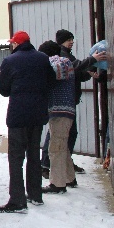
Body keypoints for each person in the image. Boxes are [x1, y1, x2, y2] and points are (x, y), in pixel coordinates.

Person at [0, 31, 55, 213]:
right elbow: (51, 82)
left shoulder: (10, 61)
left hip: (18, 116)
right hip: (37, 115)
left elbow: (3, 88)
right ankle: (35, 195)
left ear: (16, 44)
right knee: (34, 155)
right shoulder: (43, 59)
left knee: (15, 157)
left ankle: (17, 201)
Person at [41, 29, 106, 179]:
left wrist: (89, 70)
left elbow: (76, 71)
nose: (71, 42)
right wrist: (93, 60)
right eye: (68, 39)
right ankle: (49, 166)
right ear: (60, 42)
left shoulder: (64, 57)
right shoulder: (62, 57)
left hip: (63, 106)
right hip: (62, 107)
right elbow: (74, 67)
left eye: (72, 39)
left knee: (62, 137)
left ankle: (61, 169)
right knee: (58, 137)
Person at [37, 40, 76, 194]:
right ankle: (69, 178)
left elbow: (54, 69)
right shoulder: (64, 62)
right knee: (62, 146)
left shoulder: (62, 62)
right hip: (60, 112)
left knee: (55, 148)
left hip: (62, 112)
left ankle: (57, 184)